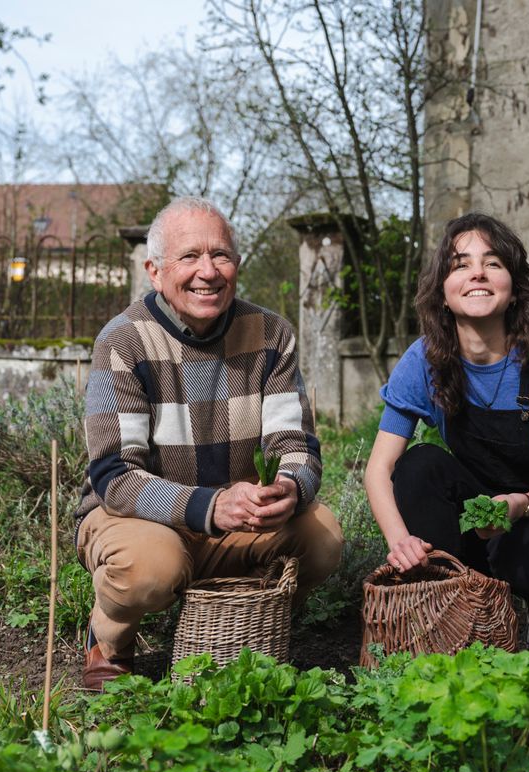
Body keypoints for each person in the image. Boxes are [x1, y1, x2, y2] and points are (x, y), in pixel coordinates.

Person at [74, 196, 343, 690]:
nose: (208, 271)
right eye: (190, 256)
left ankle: (229, 628)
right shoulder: (123, 340)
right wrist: (210, 505)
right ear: (155, 271)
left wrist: (289, 486)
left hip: (235, 519)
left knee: (323, 537)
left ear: (236, 266)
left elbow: (296, 444)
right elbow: (115, 477)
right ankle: (108, 640)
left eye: (221, 255)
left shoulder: (270, 334)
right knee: (151, 569)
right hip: (138, 519)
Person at [363, 212, 529, 658]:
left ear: (515, 287)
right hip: (481, 515)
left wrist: (517, 505)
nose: (477, 272)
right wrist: (399, 542)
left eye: (493, 263)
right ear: (442, 291)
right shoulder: (425, 359)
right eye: (460, 264)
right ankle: (451, 599)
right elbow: (379, 469)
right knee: (419, 464)